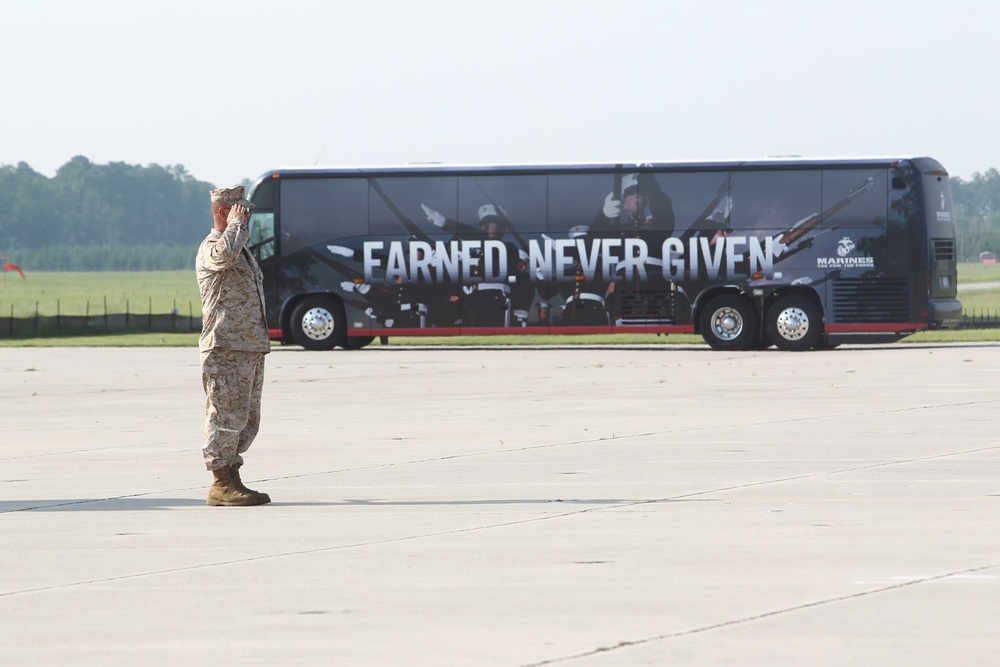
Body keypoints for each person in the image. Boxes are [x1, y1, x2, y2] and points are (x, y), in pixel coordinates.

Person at [196, 185, 271, 506]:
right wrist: (236, 226)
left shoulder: (242, 249)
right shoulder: (213, 246)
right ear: (225, 212)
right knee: (225, 415)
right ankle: (220, 482)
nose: (248, 217)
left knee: (246, 419)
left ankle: (232, 474)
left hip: (249, 346)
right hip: (225, 346)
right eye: (243, 211)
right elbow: (223, 257)